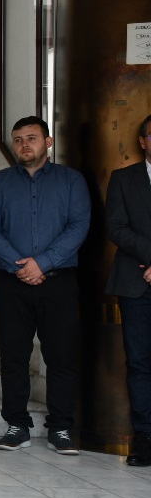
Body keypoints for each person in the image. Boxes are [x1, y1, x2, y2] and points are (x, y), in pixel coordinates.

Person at [0, 116, 90, 455]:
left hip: (59, 283)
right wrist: (21, 264)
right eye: (18, 139)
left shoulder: (71, 181)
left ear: (48, 142)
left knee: (61, 356)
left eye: (32, 138)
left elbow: (78, 226)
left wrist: (43, 262)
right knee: (14, 356)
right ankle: (17, 426)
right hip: (11, 283)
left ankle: (60, 428)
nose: (24, 145)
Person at [105, 114, 151, 467]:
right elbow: (116, 227)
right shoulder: (123, 179)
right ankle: (145, 438)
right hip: (136, 285)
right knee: (139, 363)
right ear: (142, 141)